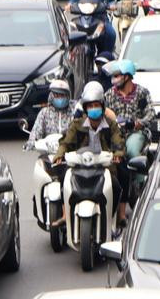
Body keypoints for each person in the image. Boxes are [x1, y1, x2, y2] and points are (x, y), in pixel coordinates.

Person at [54, 81, 127, 225]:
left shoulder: (111, 124)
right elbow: (65, 142)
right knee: (64, 178)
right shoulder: (77, 124)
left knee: (119, 182)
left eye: (96, 105)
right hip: (80, 166)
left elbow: (118, 141)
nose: (94, 109)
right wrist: (59, 155)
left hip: (105, 167)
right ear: (86, 109)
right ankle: (65, 215)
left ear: (102, 106)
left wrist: (118, 154)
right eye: (90, 106)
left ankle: (119, 215)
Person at [105, 59, 154, 162]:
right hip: (114, 134)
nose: (114, 79)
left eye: (117, 76)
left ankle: (139, 178)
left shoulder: (142, 92)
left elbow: (151, 113)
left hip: (135, 133)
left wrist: (138, 123)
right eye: (113, 76)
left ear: (127, 76)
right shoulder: (109, 94)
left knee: (132, 151)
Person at [24, 79, 74, 147]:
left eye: (62, 96)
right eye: (57, 96)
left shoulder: (74, 112)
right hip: (48, 151)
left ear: (68, 96)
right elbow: (36, 131)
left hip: (70, 151)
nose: (60, 98)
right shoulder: (44, 113)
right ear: (51, 96)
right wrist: (32, 142)